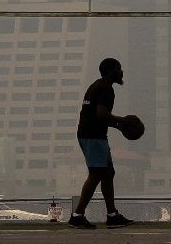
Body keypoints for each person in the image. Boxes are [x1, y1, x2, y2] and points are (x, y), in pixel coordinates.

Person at [69, 57, 134, 229]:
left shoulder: (96, 85)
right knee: (96, 174)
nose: (122, 71)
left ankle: (112, 215)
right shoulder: (106, 88)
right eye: (119, 68)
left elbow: (98, 116)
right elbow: (101, 114)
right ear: (110, 71)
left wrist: (119, 126)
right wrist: (124, 120)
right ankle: (77, 215)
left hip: (91, 134)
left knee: (107, 173)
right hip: (93, 136)